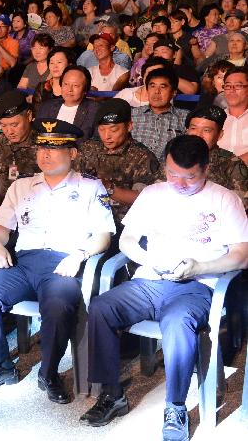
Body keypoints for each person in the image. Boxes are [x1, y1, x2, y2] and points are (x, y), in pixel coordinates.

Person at [81, 135, 248, 439]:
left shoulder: (225, 199)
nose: (179, 183)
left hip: (197, 286)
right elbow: (127, 239)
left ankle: (176, 406)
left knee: (177, 322)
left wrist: (201, 267)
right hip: (149, 280)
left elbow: (242, 255)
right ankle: (112, 393)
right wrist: (148, 258)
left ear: (206, 168)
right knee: (102, 307)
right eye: (172, 174)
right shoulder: (154, 194)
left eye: (190, 177)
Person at [0, 119, 115, 403]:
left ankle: (49, 373)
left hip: (65, 264)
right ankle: (0, 367)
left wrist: (80, 255)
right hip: (25, 263)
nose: (45, 155)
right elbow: (0, 227)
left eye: (55, 148)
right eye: (41, 148)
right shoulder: (22, 186)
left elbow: (104, 236)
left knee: (58, 306)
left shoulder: (91, 187)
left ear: (73, 153)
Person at [76, 98, 161, 224]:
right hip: (86, 217)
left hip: (122, 223)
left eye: (113, 130)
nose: (107, 136)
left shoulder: (142, 156)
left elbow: (142, 199)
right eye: (102, 129)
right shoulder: (89, 148)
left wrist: (108, 188)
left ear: (129, 126)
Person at [0, 90, 39, 196]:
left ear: (29, 116)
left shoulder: (45, 146)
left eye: (14, 125)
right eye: (3, 126)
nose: (9, 132)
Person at [184, 105, 248, 210]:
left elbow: (240, 203)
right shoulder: (176, 157)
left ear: (220, 135)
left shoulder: (232, 163)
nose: (198, 135)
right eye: (194, 128)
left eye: (206, 130)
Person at [131, 67, 188, 162]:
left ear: (173, 93)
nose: (156, 91)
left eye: (163, 87)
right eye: (152, 86)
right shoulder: (132, 115)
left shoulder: (185, 117)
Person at [35, 65, 99, 140]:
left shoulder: (94, 110)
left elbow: (97, 140)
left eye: (75, 85)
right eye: (66, 84)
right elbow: (37, 135)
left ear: (85, 90)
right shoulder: (47, 107)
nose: (70, 89)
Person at [219, 67, 247, 164]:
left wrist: (230, 165)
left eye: (238, 86)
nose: (232, 90)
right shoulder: (216, 119)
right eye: (228, 86)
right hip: (215, 176)